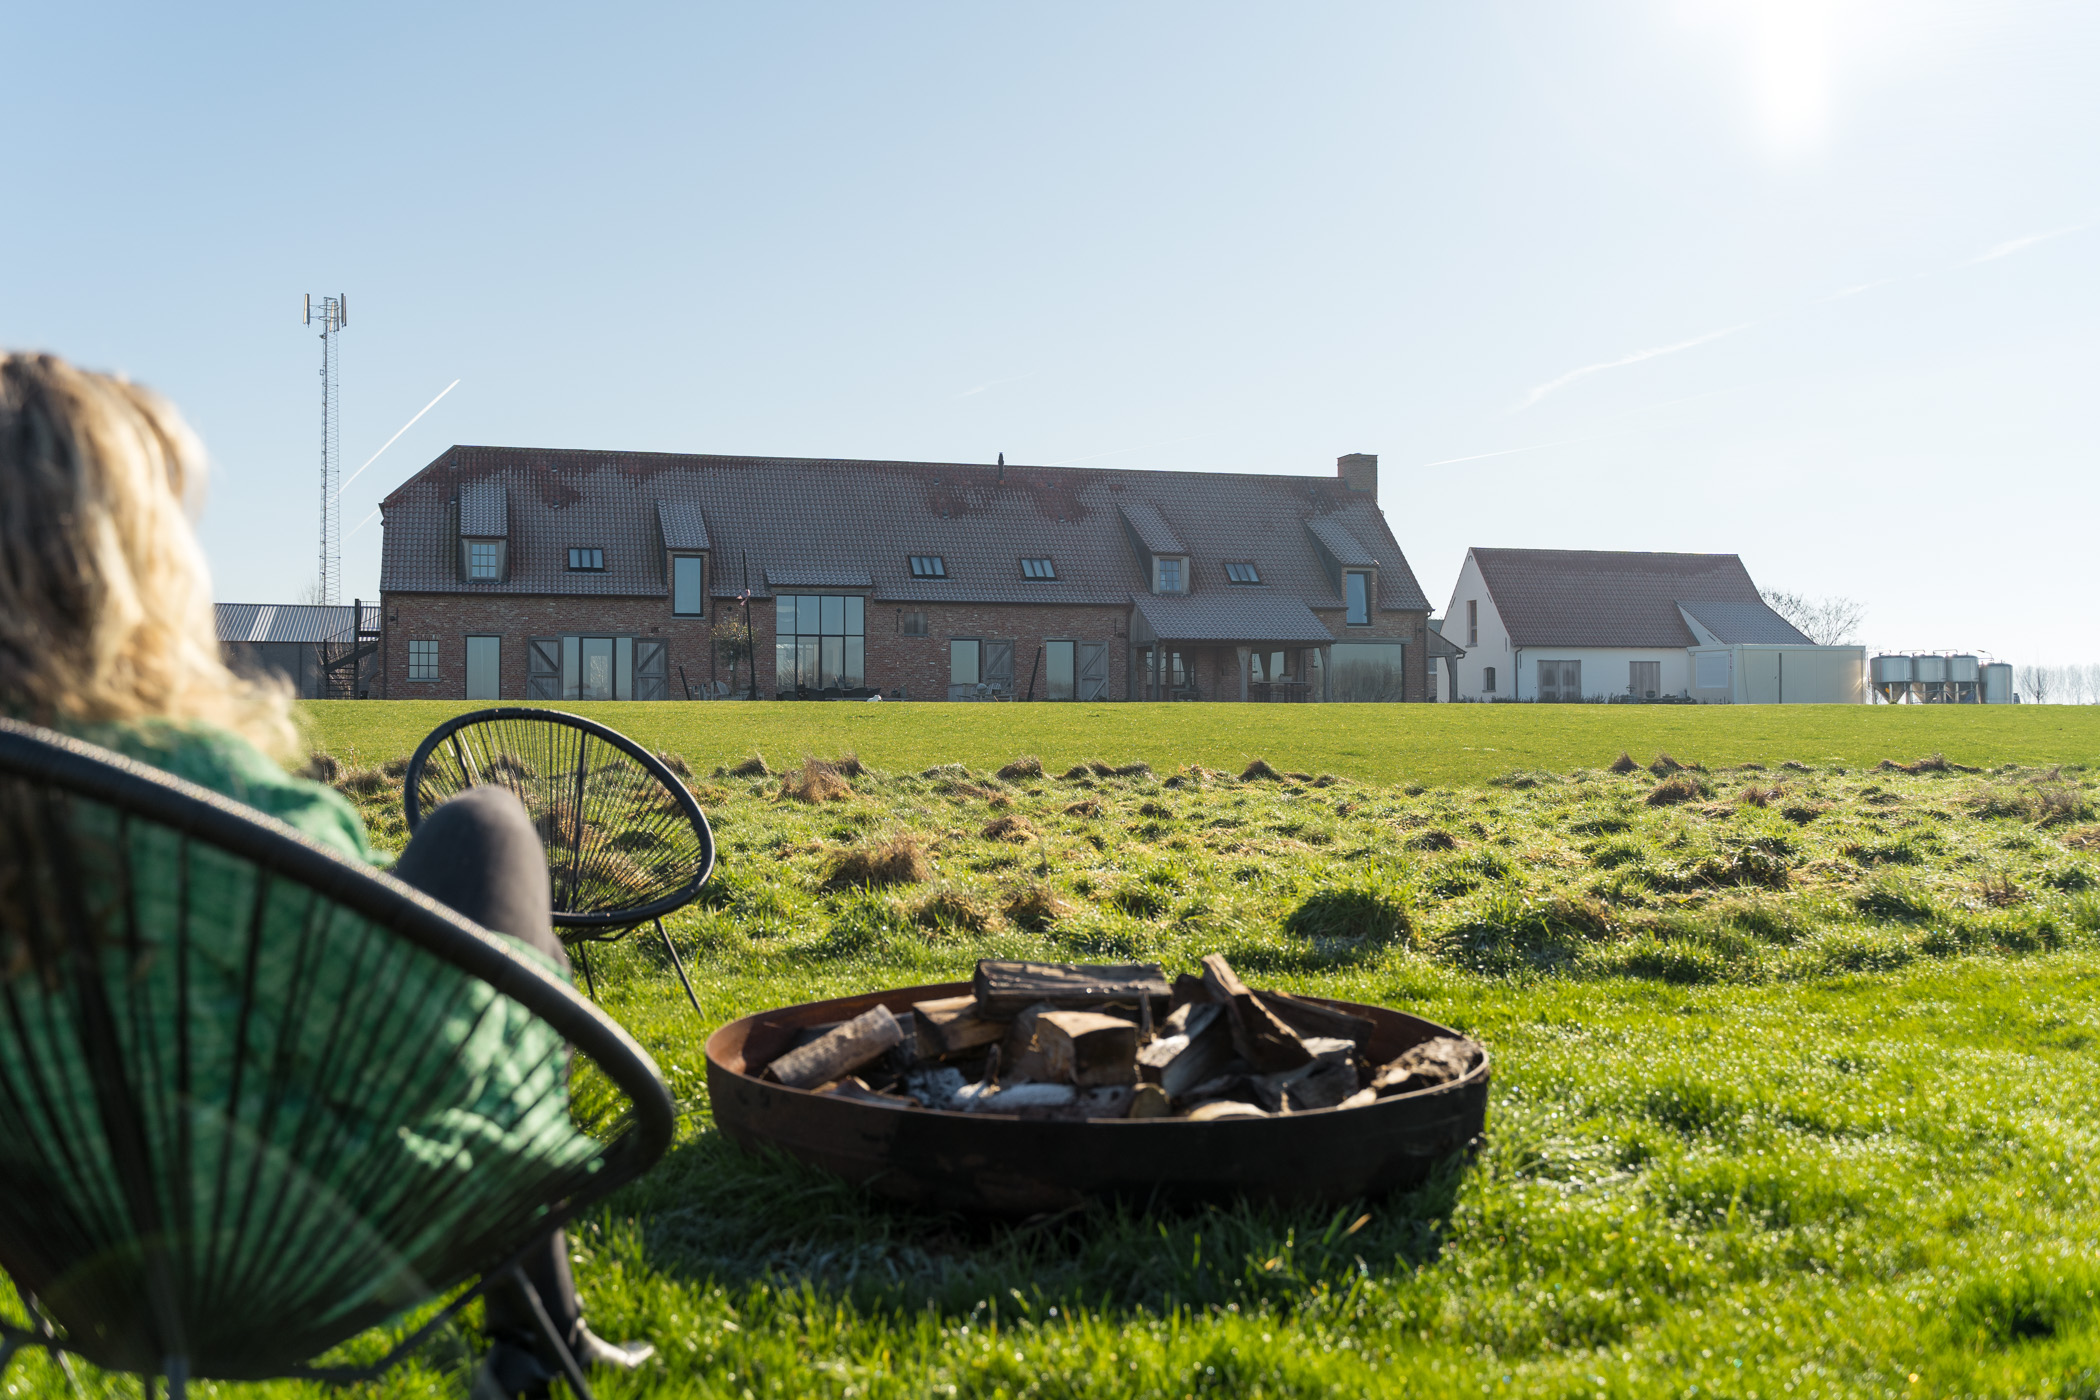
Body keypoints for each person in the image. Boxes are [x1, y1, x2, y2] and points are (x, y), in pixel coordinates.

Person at [0, 352, 650, 1398]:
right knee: (486, 828)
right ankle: (540, 1340)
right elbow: (418, 1057)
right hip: (274, 1250)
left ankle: (546, 1336)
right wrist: (535, 984)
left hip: (69, 1259)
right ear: (124, 564)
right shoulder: (198, 799)